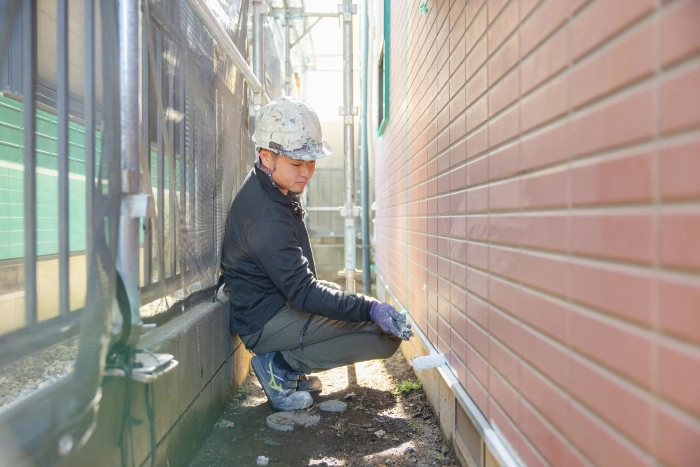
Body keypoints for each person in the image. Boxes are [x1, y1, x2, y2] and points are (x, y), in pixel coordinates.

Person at [220, 97, 412, 411]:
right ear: (267, 157)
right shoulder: (265, 217)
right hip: (264, 322)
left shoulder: (270, 186)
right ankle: (279, 366)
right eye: (297, 163)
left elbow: (304, 287)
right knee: (384, 336)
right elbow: (305, 294)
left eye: (311, 161)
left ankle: (290, 367)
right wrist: (371, 307)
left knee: (337, 295)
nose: (307, 171)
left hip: (270, 307)